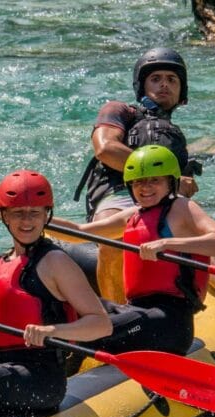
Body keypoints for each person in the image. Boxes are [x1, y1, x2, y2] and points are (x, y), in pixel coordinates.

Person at [0, 170, 111, 417]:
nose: (27, 221)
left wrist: (54, 331)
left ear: (47, 215)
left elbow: (101, 324)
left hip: (39, 381)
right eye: (18, 213)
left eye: (34, 213)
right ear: (4, 215)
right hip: (4, 369)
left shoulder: (55, 262)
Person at [53, 145, 215, 356]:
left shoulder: (182, 208)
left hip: (169, 322)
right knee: (70, 311)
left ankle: (59, 368)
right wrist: (38, 217)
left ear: (170, 182)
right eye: (138, 181)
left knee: (89, 329)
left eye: (154, 180)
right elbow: (80, 232)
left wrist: (167, 244)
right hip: (135, 310)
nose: (145, 187)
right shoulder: (133, 215)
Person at [71, 47, 201, 302]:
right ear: (142, 85)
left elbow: (182, 186)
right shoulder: (119, 110)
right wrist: (160, 175)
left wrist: (184, 185)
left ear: (181, 91)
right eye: (156, 78)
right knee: (115, 240)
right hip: (118, 195)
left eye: (172, 79)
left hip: (163, 202)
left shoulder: (176, 137)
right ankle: (118, 313)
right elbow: (105, 148)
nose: (164, 84)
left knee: (208, 237)